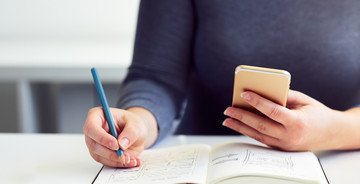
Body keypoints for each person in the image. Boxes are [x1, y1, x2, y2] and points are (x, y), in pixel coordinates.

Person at [83, 0, 360, 168]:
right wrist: (138, 123)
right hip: (206, 175)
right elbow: (156, 76)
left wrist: (333, 130)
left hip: (341, 169)